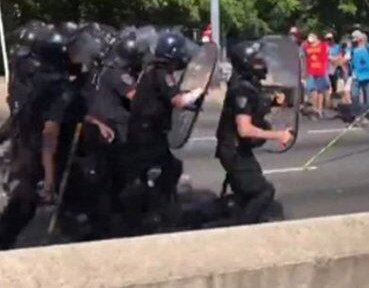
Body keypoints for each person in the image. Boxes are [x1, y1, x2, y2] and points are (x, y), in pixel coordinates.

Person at [0, 25, 75, 249]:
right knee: (24, 202)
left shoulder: (25, 73)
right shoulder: (55, 89)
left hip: (20, 141)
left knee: (20, 198)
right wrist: (50, 181)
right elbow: (49, 137)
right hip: (31, 151)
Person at [122, 32, 205, 232]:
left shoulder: (150, 72)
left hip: (142, 131)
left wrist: (190, 102)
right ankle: (158, 212)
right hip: (148, 134)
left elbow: (167, 99)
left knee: (147, 172)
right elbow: (177, 100)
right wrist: (198, 92)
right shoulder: (162, 74)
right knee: (169, 168)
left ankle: (147, 211)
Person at [74, 32, 146, 238]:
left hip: (97, 128)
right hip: (114, 131)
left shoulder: (99, 71)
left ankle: (103, 221)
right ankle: (116, 225)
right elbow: (138, 98)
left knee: (104, 178)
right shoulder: (117, 74)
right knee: (122, 179)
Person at [216, 40, 293, 224]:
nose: (262, 64)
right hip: (234, 151)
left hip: (237, 149)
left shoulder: (246, 83)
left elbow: (254, 104)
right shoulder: (241, 88)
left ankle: (236, 219)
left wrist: (273, 101)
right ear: (246, 62)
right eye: (257, 61)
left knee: (246, 193)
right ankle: (244, 229)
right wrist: (279, 135)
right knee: (263, 192)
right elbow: (245, 129)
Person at [344, 30, 369, 120]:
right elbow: (345, 59)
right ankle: (357, 114)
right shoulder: (351, 50)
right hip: (356, 76)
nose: (353, 40)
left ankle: (368, 113)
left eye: (354, 38)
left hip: (368, 76)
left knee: (368, 98)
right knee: (354, 96)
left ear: (359, 39)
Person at [302, 33, 329, 119]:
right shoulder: (307, 47)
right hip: (311, 71)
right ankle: (315, 110)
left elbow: (327, 52)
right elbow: (304, 56)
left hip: (320, 71)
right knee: (313, 91)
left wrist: (318, 42)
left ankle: (319, 110)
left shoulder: (323, 46)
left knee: (320, 91)